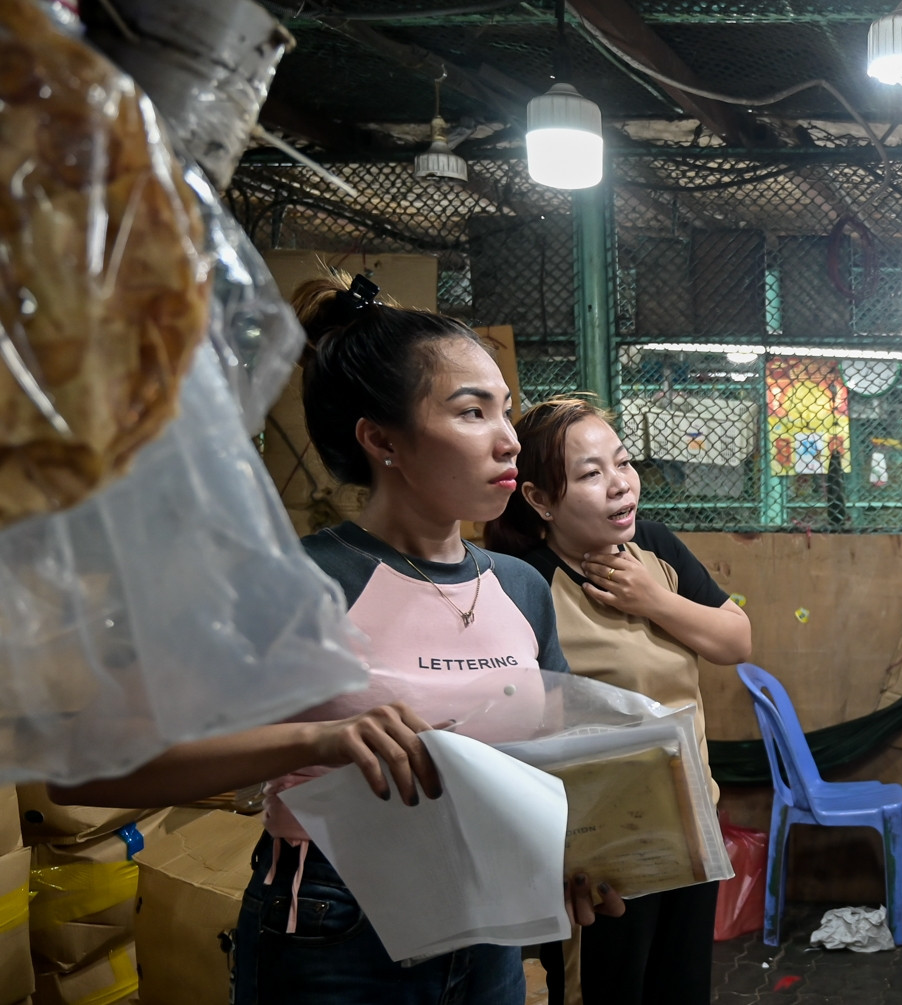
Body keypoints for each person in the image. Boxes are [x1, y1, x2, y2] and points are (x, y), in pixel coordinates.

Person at [51, 273, 624, 1005]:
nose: (509, 439)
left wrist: (573, 855)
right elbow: (87, 772)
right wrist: (315, 740)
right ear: (381, 439)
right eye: (471, 411)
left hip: (490, 935)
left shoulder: (521, 587)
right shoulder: (294, 583)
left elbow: (553, 762)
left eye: (504, 409)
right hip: (336, 939)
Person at [487, 394, 751, 1005]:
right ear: (540, 499)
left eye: (624, 462)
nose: (620, 484)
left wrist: (654, 600)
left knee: (683, 991)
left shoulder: (654, 550)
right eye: (590, 473)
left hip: (690, 826)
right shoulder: (523, 581)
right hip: (599, 854)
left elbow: (735, 640)